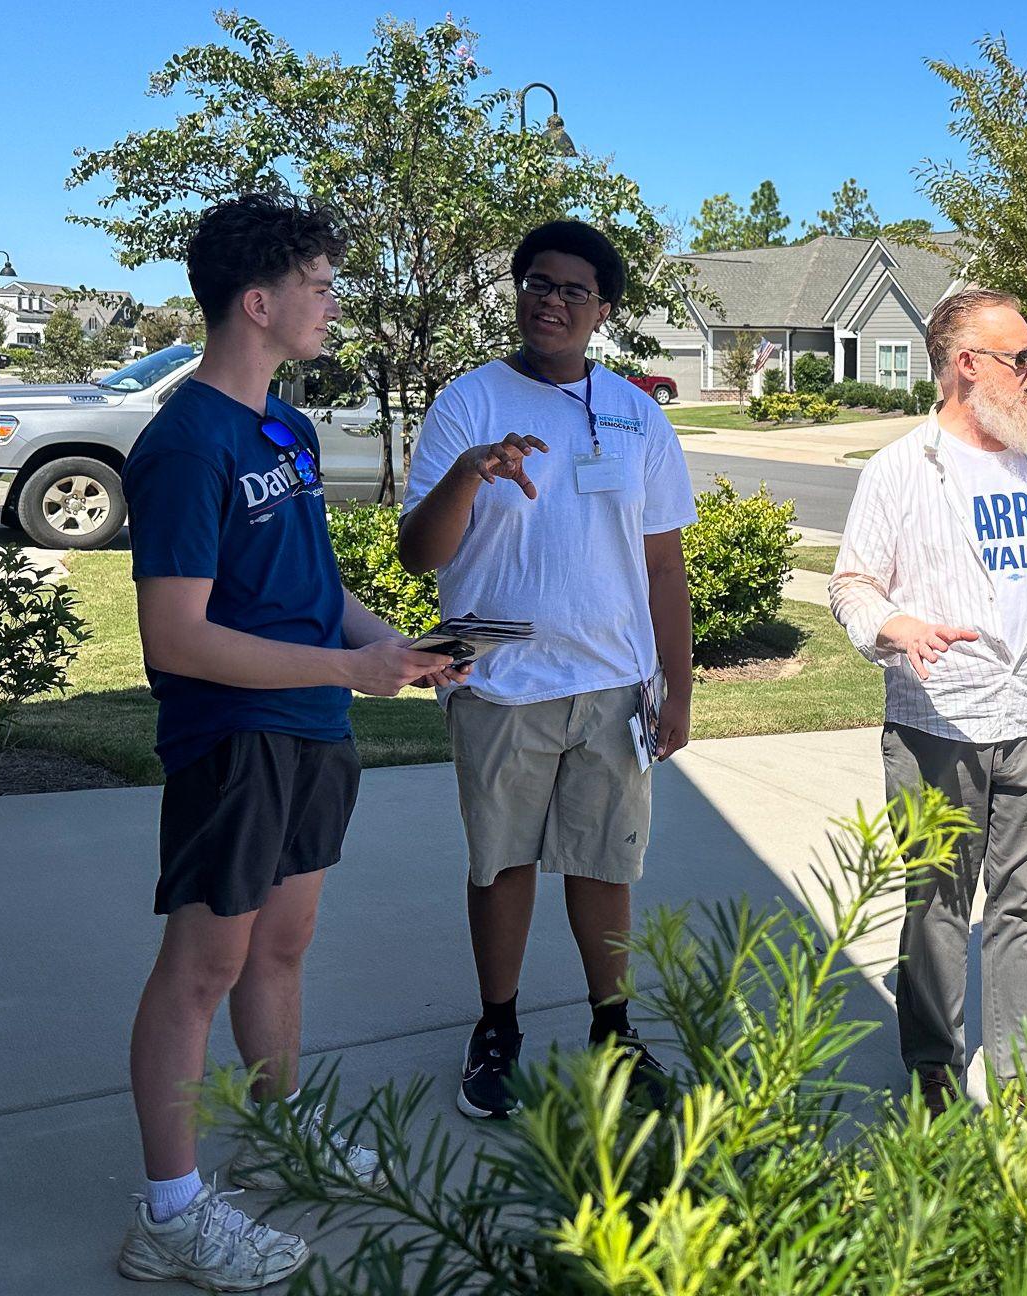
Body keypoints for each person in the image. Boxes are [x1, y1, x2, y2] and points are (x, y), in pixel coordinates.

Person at [118, 194, 460, 1290]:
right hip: (235, 739)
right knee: (201, 968)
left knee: (280, 950)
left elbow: (314, 591)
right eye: (317, 284)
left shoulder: (287, 429)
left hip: (313, 728)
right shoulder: (183, 443)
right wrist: (348, 670)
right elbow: (176, 638)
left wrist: (393, 647)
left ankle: (282, 1138)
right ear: (258, 302)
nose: (331, 302)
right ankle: (169, 1215)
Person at [399, 220, 696, 1121]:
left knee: (605, 863)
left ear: (603, 309)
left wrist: (678, 689)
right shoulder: (469, 403)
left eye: (573, 289)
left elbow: (662, 566)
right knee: (502, 864)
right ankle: (498, 1028)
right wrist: (468, 474)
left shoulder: (636, 412)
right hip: (500, 681)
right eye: (536, 282)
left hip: (613, 684)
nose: (550, 300)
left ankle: (614, 1029)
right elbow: (419, 554)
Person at [829, 289, 1027, 1113]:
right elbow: (849, 585)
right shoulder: (899, 469)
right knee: (938, 900)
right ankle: (931, 1057)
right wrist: (893, 625)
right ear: (967, 366)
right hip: (939, 719)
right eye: (1019, 358)